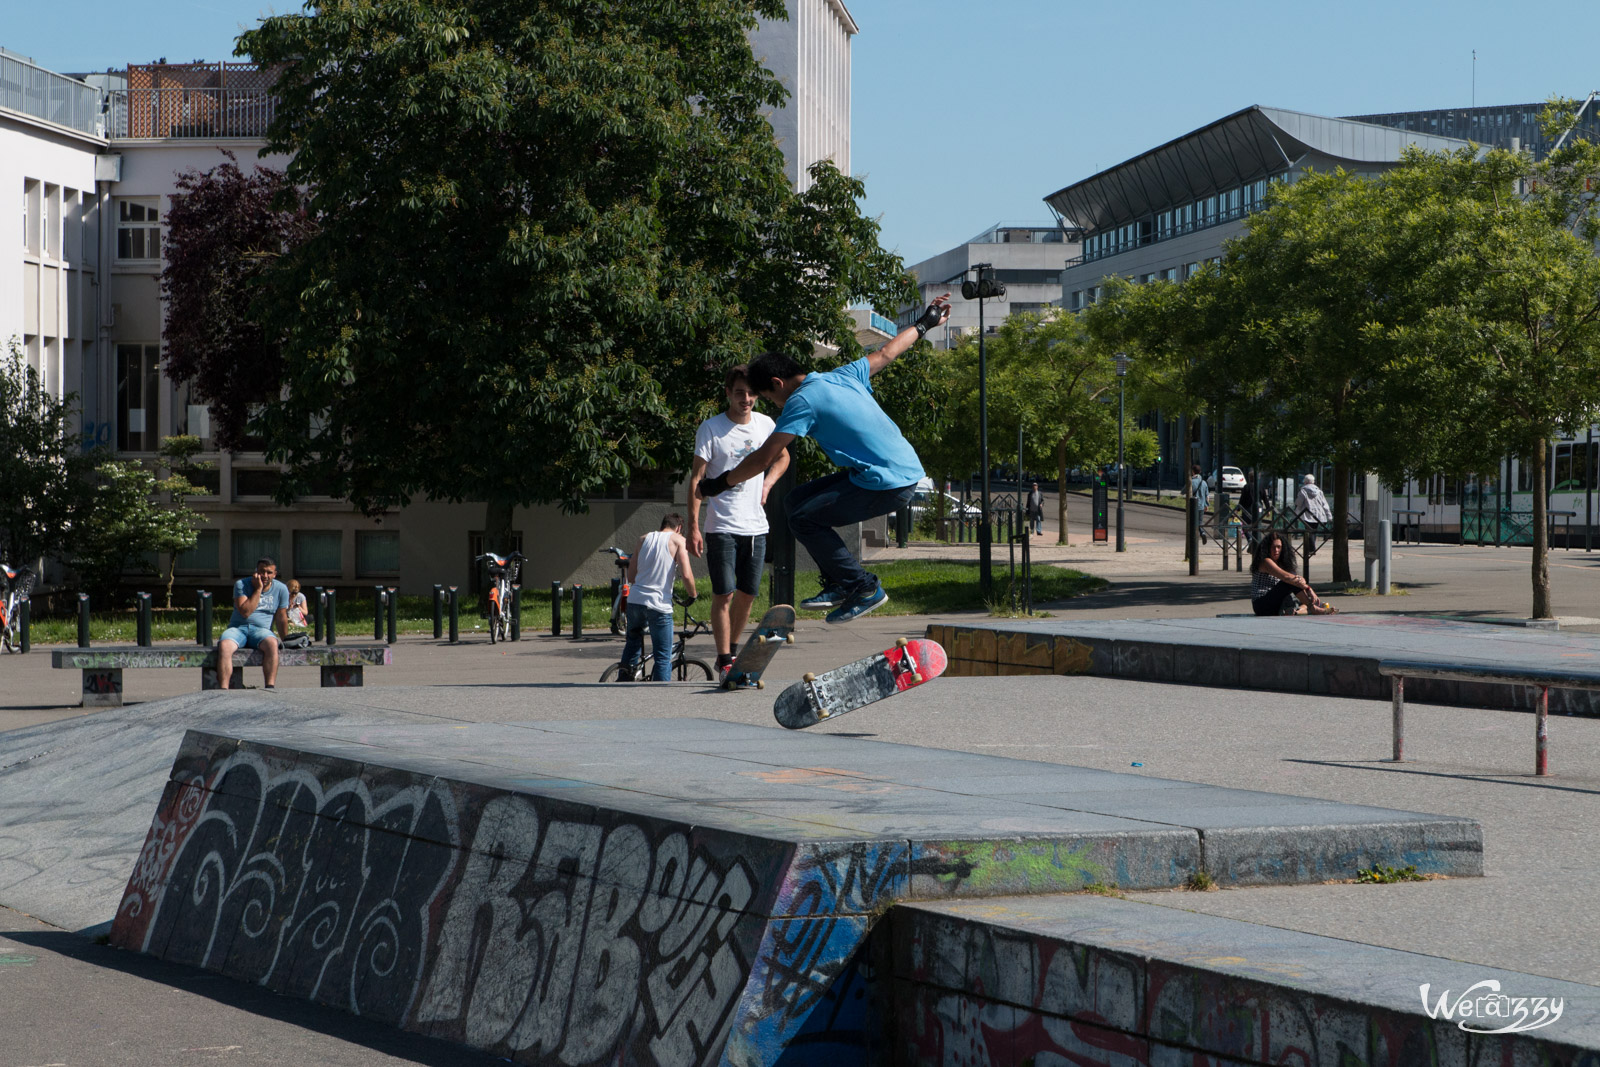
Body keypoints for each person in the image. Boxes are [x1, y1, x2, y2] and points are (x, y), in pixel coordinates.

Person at [698, 296, 952, 623]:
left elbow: (763, 458)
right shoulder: (840, 375)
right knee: (795, 502)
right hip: (892, 471)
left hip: (887, 484)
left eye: (769, 397)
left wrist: (718, 484)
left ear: (777, 383)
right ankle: (838, 582)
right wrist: (925, 323)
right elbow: (888, 352)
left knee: (804, 519)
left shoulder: (800, 402)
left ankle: (863, 587)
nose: (774, 405)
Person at [688, 365, 789, 678]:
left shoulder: (766, 424)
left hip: (756, 525)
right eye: (739, 393)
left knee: (748, 594)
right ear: (728, 394)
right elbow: (697, 478)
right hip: (721, 525)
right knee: (724, 594)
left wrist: (768, 484)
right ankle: (724, 656)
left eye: (751, 393)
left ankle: (732, 652)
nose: (746, 398)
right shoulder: (711, 428)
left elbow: (782, 457)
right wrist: (693, 525)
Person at [618, 513, 698, 681]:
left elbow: (631, 576)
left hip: (635, 601)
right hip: (658, 605)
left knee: (632, 643)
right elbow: (686, 574)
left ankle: (623, 682)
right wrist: (693, 595)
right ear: (679, 528)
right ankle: (660, 696)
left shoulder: (643, 539)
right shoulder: (678, 540)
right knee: (662, 656)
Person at [218, 557, 290, 690]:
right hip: (238, 629)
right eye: (262, 572)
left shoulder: (281, 589)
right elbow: (245, 612)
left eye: (269, 573)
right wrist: (258, 590)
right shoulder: (242, 584)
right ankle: (224, 689)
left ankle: (270, 686)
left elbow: (281, 617)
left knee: (272, 643)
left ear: (275, 574)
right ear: (256, 572)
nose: (265, 576)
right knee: (225, 645)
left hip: (261, 630)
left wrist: (286, 639)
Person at [1250, 530, 1336, 615]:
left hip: (1277, 602)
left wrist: (1302, 581)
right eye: (1273, 547)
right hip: (1262, 604)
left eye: (1279, 547)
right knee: (1290, 582)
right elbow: (1287, 578)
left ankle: (1297, 611)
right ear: (1267, 548)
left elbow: (1297, 578)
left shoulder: (1282, 563)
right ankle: (1313, 607)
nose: (1276, 550)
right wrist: (1309, 589)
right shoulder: (1266, 562)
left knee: (1298, 593)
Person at [1295, 473, 1333, 550]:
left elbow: (1298, 503)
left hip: (1307, 514)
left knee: (1308, 530)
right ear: (1313, 482)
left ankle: (1311, 548)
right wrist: (1329, 516)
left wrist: (1296, 512)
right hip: (1318, 515)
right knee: (1313, 531)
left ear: (1305, 482)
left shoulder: (1303, 491)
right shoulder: (1319, 492)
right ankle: (1311, 547)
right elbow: (1325, 504)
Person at [1190, 464, 1210, 545]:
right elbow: (1207, 496)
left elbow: (1184, 492)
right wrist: (1207, 505)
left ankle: (1194, 539)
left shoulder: (1191, 481)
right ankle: (1202, 533)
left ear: (1193, 472)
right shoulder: (1204, 482)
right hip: (1201, 506)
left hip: (1193, 506)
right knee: (1200, 522)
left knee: (1193, 523)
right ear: (1200, 472)